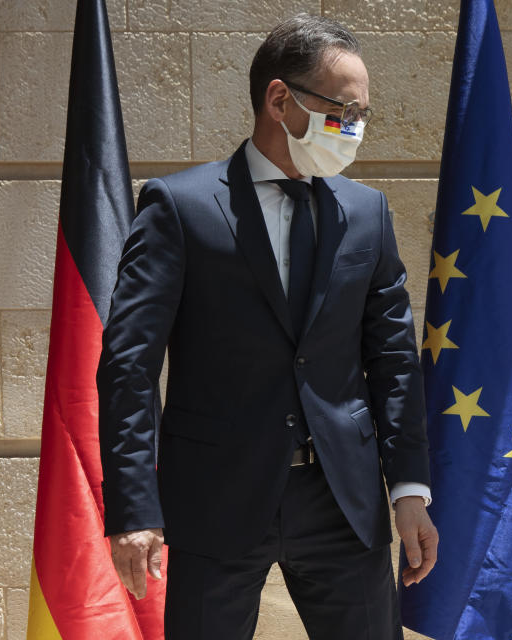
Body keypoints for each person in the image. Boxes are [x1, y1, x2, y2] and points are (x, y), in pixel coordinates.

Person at [98, 13, 438, 639]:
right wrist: (132, 508)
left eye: (362, 114)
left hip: (343, 502)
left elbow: (393, 360)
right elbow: (130, 364)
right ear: (280, 99)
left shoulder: (368, 214)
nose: (353, 128)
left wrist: (409, 487)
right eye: (343, 109)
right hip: (216, 499)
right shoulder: (180, 208)